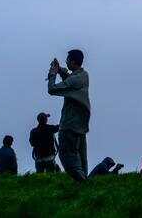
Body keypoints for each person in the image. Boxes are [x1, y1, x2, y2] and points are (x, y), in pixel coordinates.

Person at [47, 49, 91, 182]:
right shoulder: (84, 75)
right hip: (80, 126)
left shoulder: (75, 80)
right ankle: (85, 186)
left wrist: (53, 74)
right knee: (81, 159)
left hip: (69, 126)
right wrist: (60, 69)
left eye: (67, 60)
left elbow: (52, 89)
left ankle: (82, 182)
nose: (66, 62)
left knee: (67, 157)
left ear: (72, 61)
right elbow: (70, 79)